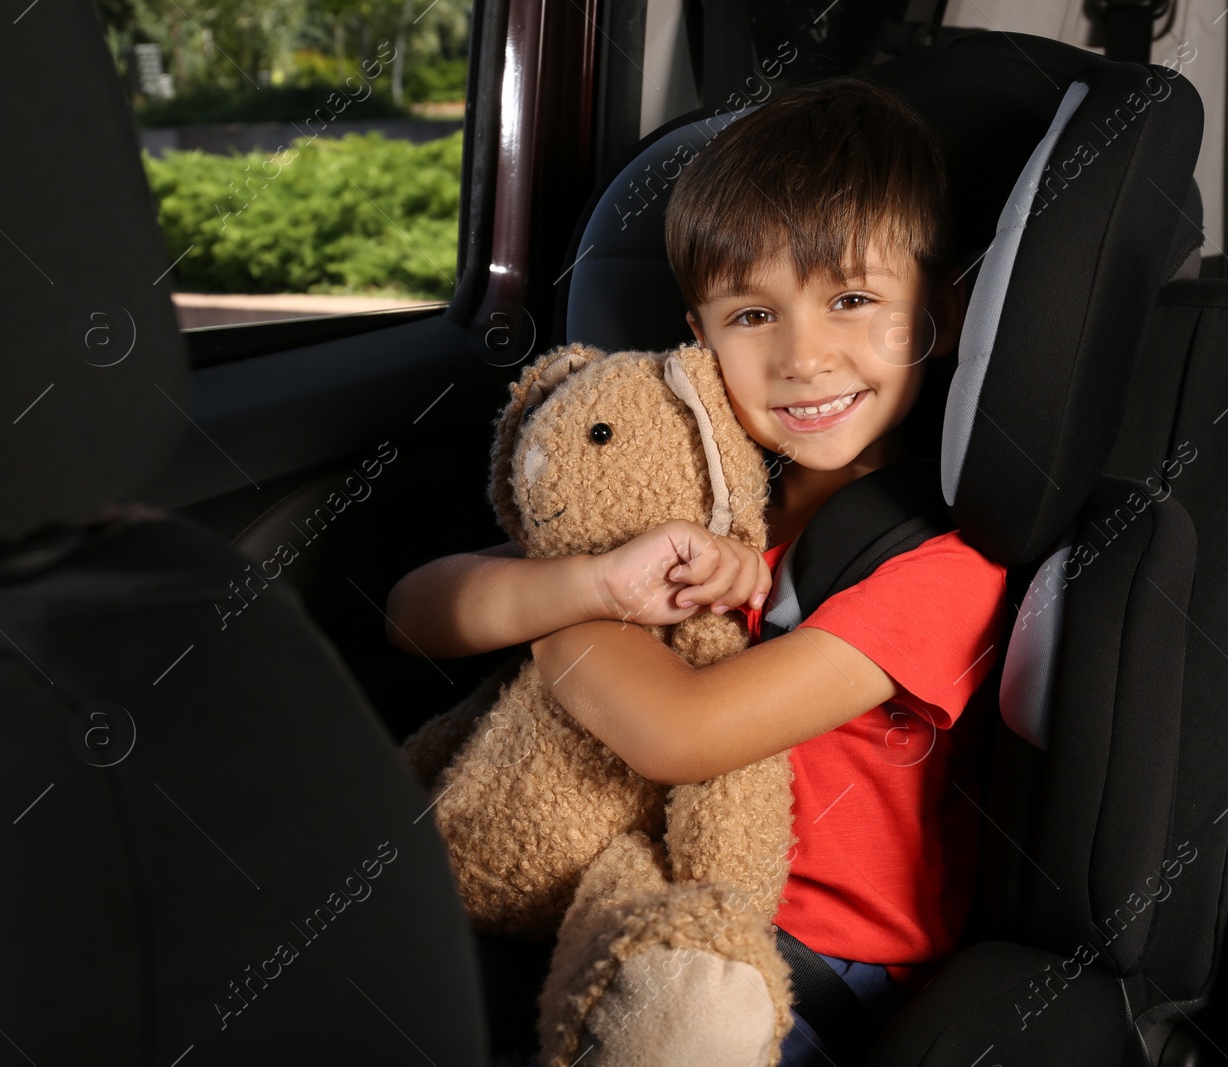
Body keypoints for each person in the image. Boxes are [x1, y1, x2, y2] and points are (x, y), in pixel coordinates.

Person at [385, 77, 1008, 1066]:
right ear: (699, 338)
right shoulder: (704, 494)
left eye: (852, 299)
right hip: (630, 884)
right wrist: (594, 581)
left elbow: (685, 731)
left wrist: (573, 603)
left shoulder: (942, 568)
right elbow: (418, 611)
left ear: (939, 310)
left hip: (817, 968)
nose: (804, 355)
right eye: (752, 314)